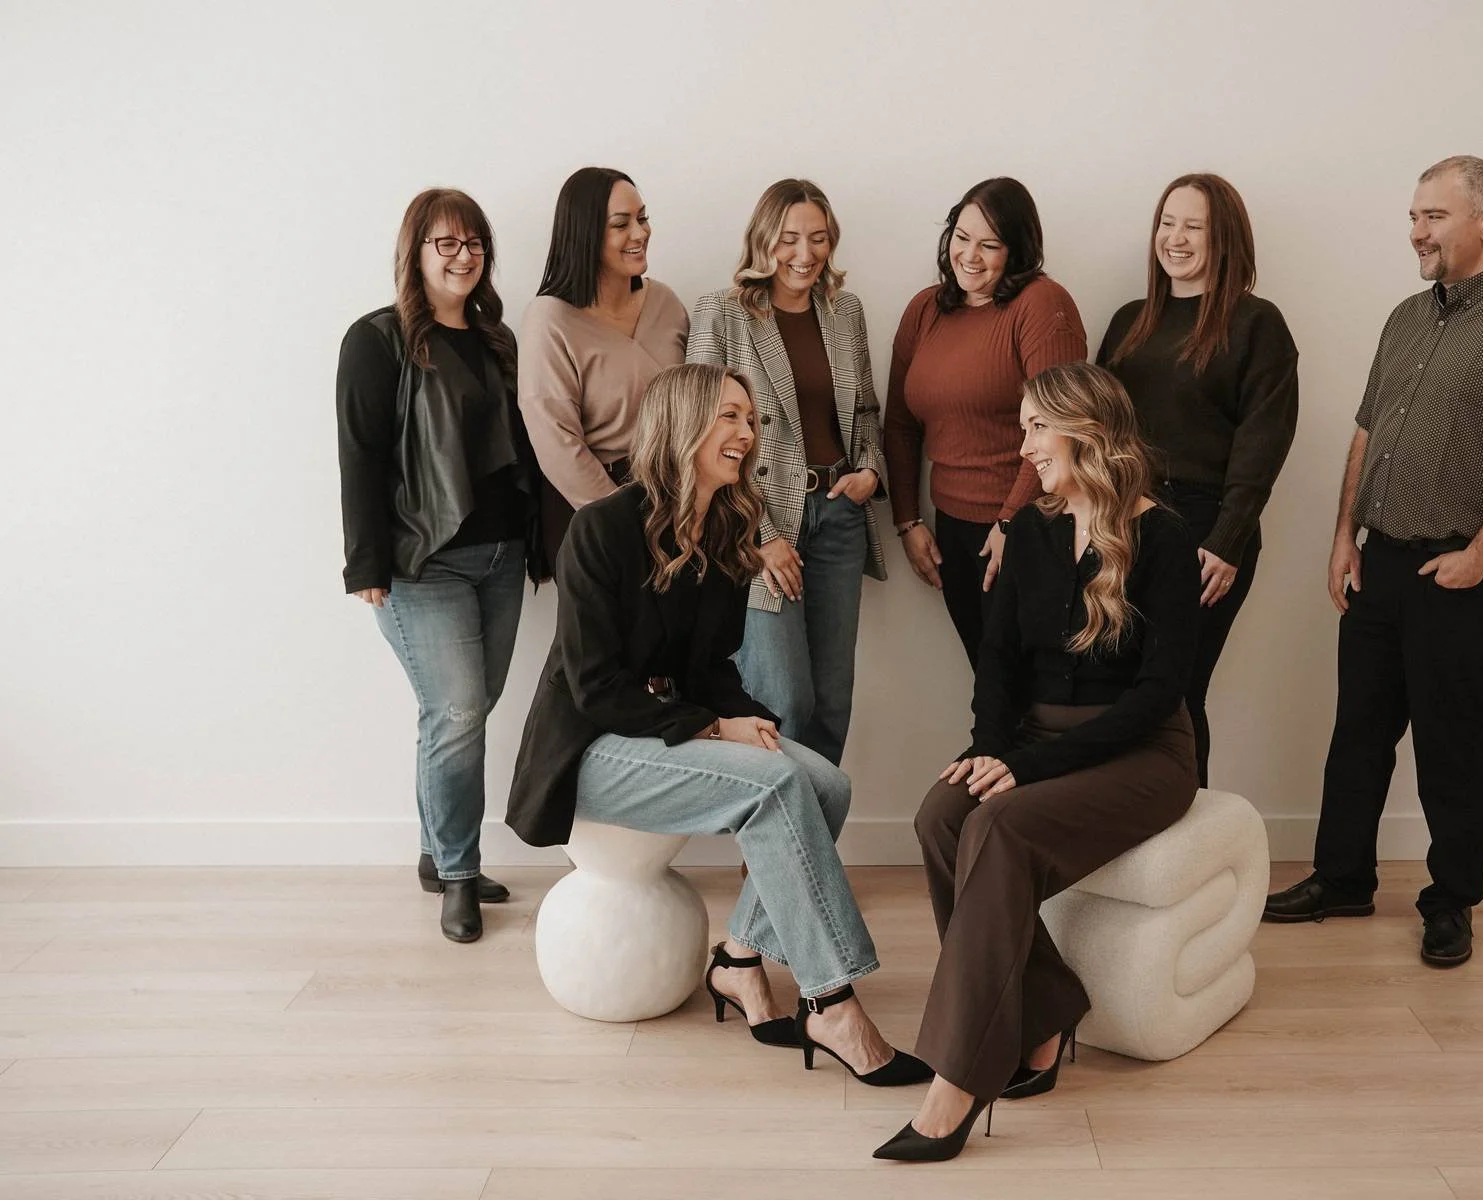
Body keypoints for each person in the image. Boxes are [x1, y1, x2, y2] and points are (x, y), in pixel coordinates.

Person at [507, 362, 930, 1086]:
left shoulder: (727, 531)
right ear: (683, 425)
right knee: (772, 788)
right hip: (589, 745)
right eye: (729, 416)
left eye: (751, 420)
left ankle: (738, 958)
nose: (747, 433)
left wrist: (750, 720)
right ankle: (832, 1002)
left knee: (824, 782)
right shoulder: (601, 529)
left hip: (663, 723)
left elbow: (710, 669)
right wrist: (714, 728)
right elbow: (595, 686)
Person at [1263, 156, 1483, 969]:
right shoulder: (1407, 317)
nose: (1417, 230)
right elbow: (1368, 434)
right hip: (1381, 562)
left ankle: (1451, 902)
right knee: (1359, 732)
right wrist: (1345, 537)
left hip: (1467, 577)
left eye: (1434, 216)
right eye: (1413, 215)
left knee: (1456, 742)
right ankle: (1341, 878)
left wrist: (1480, 556)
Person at [876, 362, 1202, 1162]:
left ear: (1085, 433)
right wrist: (993, 749)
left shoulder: (1164, 536)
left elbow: (1159, 696)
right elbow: (997, 667)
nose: (1022, 448)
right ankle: (1047, 1006)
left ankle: (957, 1079)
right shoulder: (1031, 532)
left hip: (1141, 750)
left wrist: (1029, 771)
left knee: (1003, 829)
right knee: (942, 814)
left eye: (1033, 429)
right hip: (1034, 740)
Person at [336, 188, 544, 943]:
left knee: (464, 712)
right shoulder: (378, 339)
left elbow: (525, 451)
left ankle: (435, 852)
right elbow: (358, 453)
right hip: (422, 562)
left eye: (474, 242)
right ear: (415, 253)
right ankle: (458, 873)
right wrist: (365, 562)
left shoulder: (498, 340)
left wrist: (543, 543)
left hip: (501, 555)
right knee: (456, 715)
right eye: (445, 244)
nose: (463, 256)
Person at [1099, 173, 1299, 784]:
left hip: (1204, 530)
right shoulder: (1131, 319)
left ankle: (1190, 843)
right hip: (1123, 522)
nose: (1175, 239)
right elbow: (1097, 424)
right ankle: (1124, 840)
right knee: (1117, 691)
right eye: (1167, 222)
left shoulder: (1256, 323)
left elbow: (1264, 441)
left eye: (1194, 227)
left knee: (1176, 693)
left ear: (1225, 239)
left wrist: (1229, 539)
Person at [686, 179, 887, 765]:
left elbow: (866, 409)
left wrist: (870, 472)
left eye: (819, 239)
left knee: (832, 702)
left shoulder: (845, 311)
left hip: (840, 516)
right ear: (763, 239)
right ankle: (769, 845)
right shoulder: (721, 313)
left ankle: (810, 844)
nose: (805, 254)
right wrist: (761, 535)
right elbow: (701, 436)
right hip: (759, 523)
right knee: (782, 699)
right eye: (790, 239)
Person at [883, 177, 1088, 666]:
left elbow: (1060, 425)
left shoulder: (1041, 304)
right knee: (990, 679)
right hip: (954, 529)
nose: (970, 255)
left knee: (1036, 688)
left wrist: (1011, 521)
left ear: (1017, 250)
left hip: (1034, 525)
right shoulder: (925, 309)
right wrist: (908, 520)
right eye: (961, 236)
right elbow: (899, 423)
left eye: (989, 244)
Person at [519, 167, 690, 569]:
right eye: (621, 224)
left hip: (676, 505)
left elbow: (698, 406)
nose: (640, 233)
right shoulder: (549, 319)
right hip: (592, 514)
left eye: (643, 218)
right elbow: (557, 444)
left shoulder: (665, 303)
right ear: (585, 233)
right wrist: (625, 522)